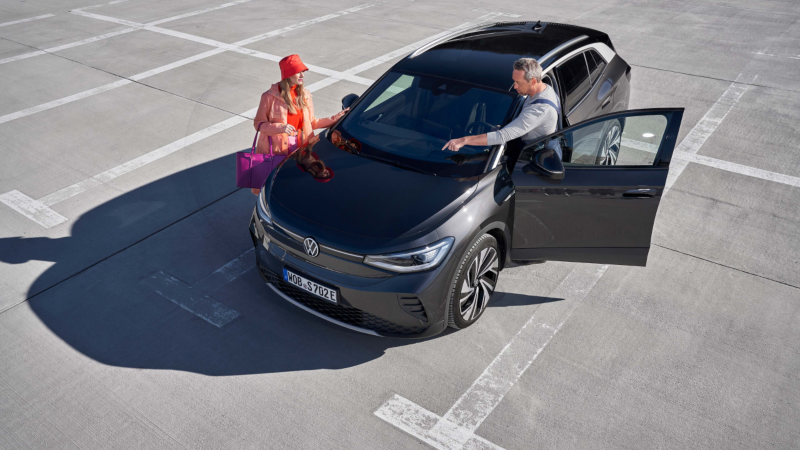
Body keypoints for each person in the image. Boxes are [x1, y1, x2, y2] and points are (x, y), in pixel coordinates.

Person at [251, 54, 348, 194]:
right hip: (278, 148)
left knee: (295, 181)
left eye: (303, 71)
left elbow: (312, 123)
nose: (302, 75)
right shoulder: (269, 97)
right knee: (275, 184)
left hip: (302, 147)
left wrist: (334, 118)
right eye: (298, 71)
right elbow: (258, 124)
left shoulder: (305, 95)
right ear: (288, 74)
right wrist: (280, 128)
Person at [442, 58, 561, 158]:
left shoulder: (540, 109)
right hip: (530, 141)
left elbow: (502, 136)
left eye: (518, 82)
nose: (515, 86)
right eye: (514, 81)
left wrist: (463, 140)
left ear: (533, 81)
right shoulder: (544, 88)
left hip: (540, 156)